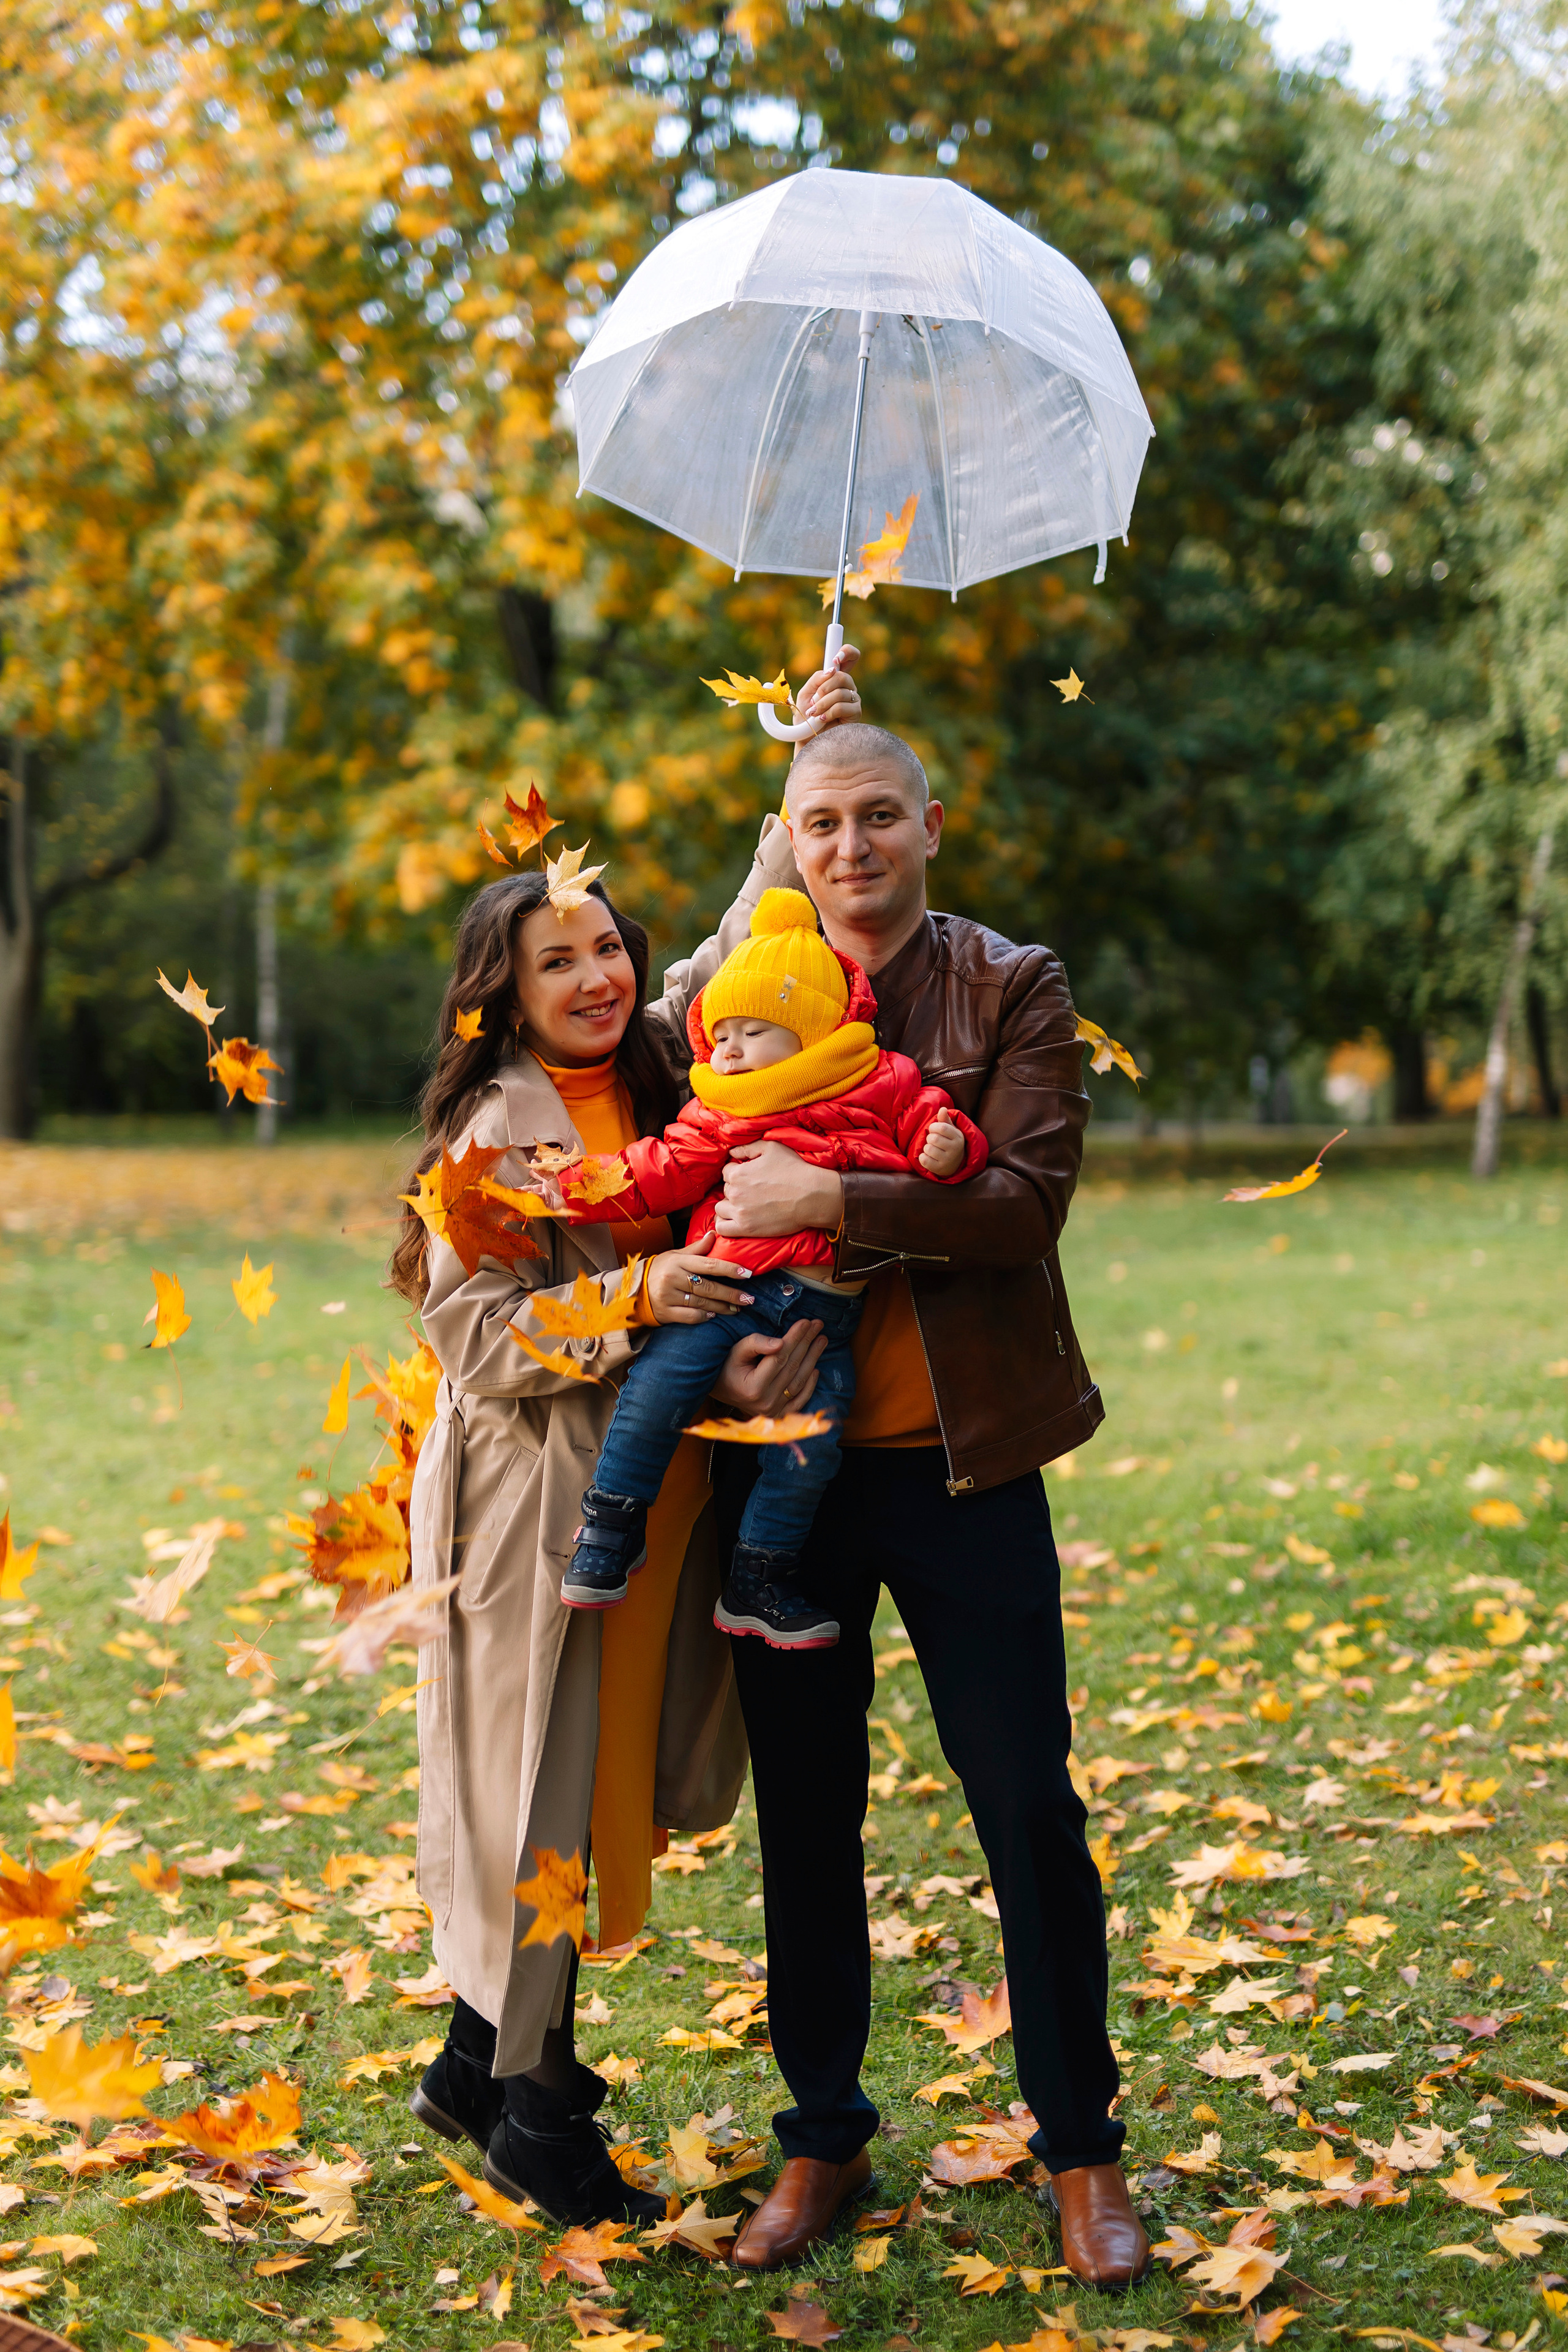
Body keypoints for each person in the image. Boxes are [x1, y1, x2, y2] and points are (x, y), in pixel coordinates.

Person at [654, 687, 1150, 2291]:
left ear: (932, 829)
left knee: (1026, 1810)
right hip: (786, 1486)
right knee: (809, 1824)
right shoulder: (744, 990)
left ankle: (1080, 2155)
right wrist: (791, 761)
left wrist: (837, 1198)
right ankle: (824, 2140)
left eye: (880, 813)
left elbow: (1021, 1204)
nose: (854, 842)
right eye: (821, 822)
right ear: (791, 849)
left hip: (964, 1468)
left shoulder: (1011, 985)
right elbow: (660, 1032)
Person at [391, 665, 854, 2223]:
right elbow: (470, 1341)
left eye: (603, 945)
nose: (593, 973)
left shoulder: (651, 1067)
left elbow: (741, 942)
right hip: (530, 1500)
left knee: (588, 1781)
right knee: (538, 1784)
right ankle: (534, 2113)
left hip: (641, 1496)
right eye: (553, 960)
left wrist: (795, 754)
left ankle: (473, 2054)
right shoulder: (496, 1132)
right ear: (501, 996)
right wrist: (634, 1288)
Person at [555, 886, 986, 1648]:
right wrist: (573, 1186)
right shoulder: (722, 1110)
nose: (726, 1050)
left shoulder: (878, 1080)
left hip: (828, 1316)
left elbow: (930, 1120)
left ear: (813, 1031)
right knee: (657, 1390)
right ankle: (609, 1528)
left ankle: (759, 1579)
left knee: (809, 1449)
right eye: (718, 1033)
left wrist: (949, 1147)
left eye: (753, 1031)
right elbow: (657, 1169)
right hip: (730, 1292)